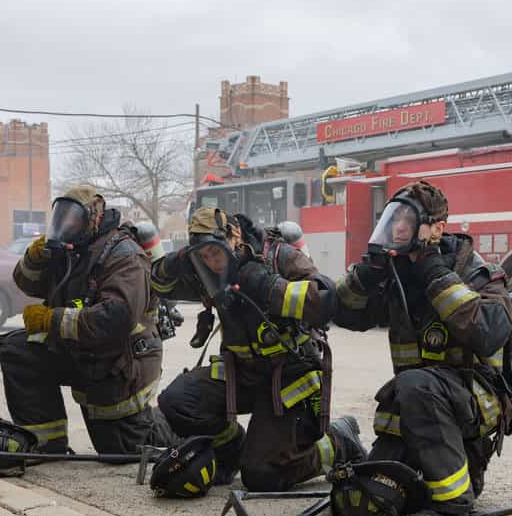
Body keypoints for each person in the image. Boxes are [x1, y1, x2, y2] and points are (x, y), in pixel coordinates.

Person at [334, 180, 512, 516]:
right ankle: (351, 444)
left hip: (467, 411)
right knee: (361, 506)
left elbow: (490, 331)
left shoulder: (474, 271)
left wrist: (433, 273)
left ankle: (453, 504)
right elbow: (346, 315)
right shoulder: (396, 273)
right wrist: (363, 279)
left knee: (417, 383)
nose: (399, 227)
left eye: (408, 219)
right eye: (394, 218)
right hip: (413, 414)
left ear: (437, 229)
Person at [151, 207, 366, 490]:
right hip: (243, 373)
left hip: (289, 377)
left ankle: (338, 442)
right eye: (202, 256)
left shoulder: (278, 256)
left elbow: (324, 302)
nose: (211, 262)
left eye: (215, 252)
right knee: (177, 402)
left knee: (262, 475)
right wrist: (178, 261)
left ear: (234, 236)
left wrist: (268, 287)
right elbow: (159, 284)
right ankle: (232, 455)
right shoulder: (206, 270)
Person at [0, 186, 170, 454]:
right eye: (61, 217)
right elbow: (29, 285)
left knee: (121, 451)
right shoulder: (71, 250)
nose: (66, 224)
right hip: (84, 351)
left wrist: (50, 320)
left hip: (118, 362)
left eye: (73, 218)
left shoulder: (124, 255)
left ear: (94, 217)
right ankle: (45, 446)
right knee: (19, 349)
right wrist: (34, 258)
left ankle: (184, 428)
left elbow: (116, 319)